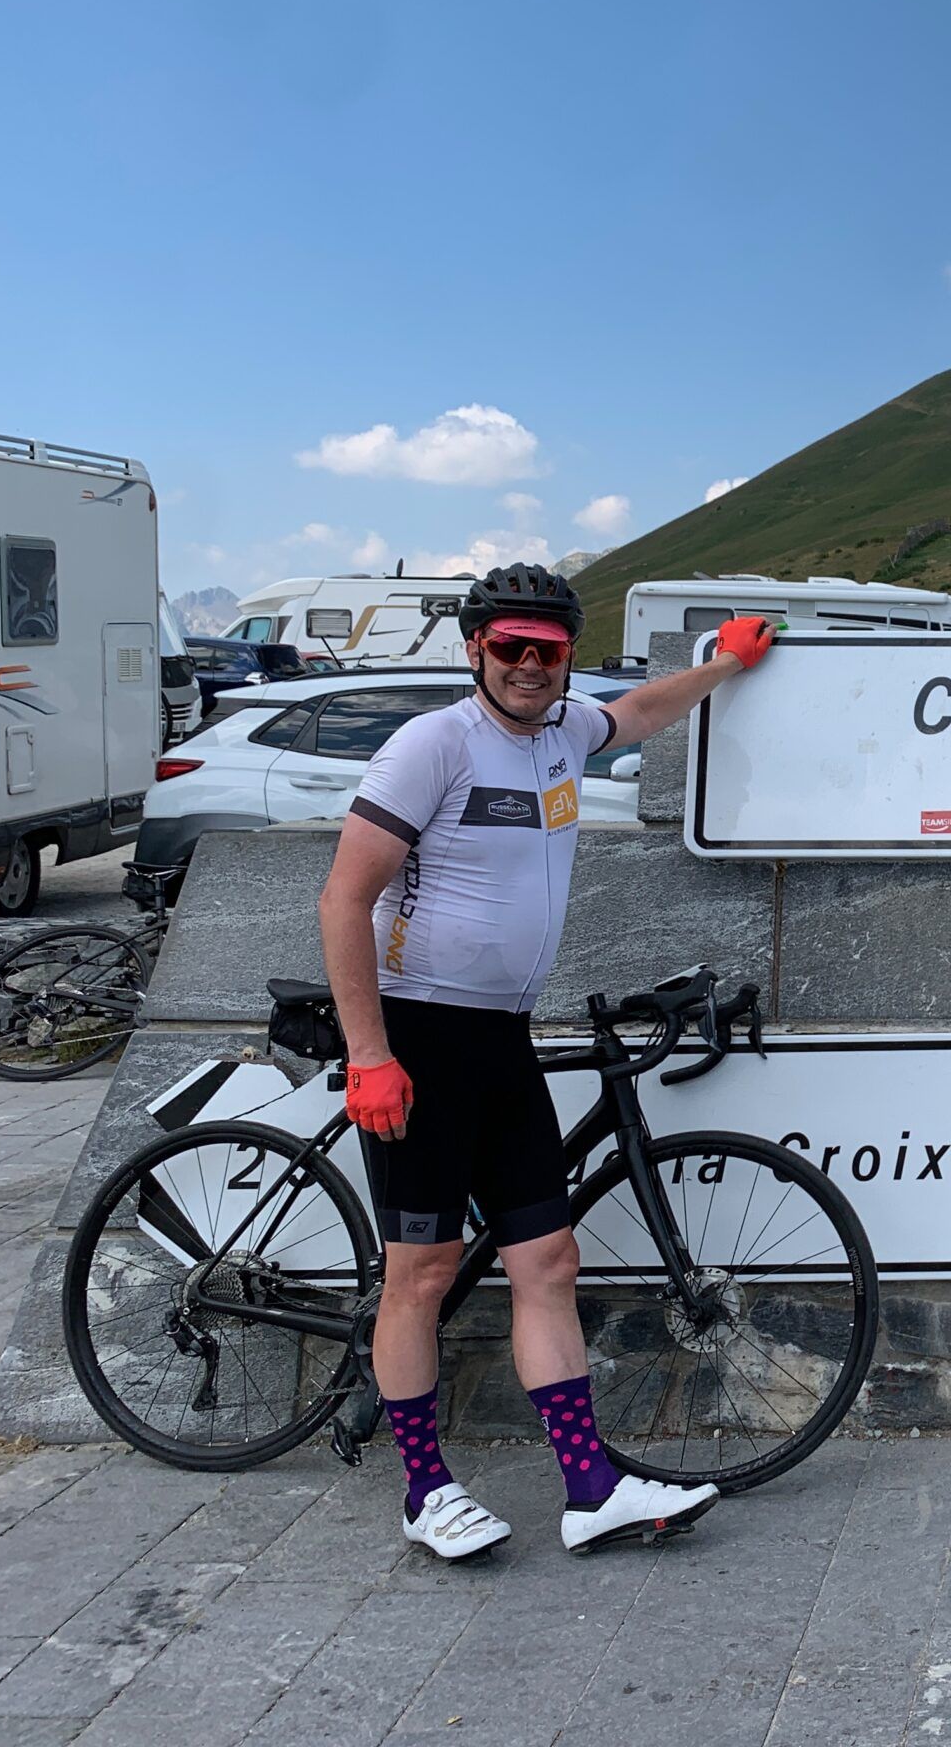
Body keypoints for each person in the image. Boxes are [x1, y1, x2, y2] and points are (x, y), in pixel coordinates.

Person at [318, 563, 774, 1560]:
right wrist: (370, 1056)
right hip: (418, 1035)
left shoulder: (566, 731)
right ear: (475, 648)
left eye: (549, 650)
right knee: (422, 1276)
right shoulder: (432, 745)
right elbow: (343, 900)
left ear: (568, 654)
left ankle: (590, 1488)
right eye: (510, 647)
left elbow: (642, 710)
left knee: (548, 1260)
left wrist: (726, 666)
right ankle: (426, 1492)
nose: (529, 666)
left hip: (500, 1038)